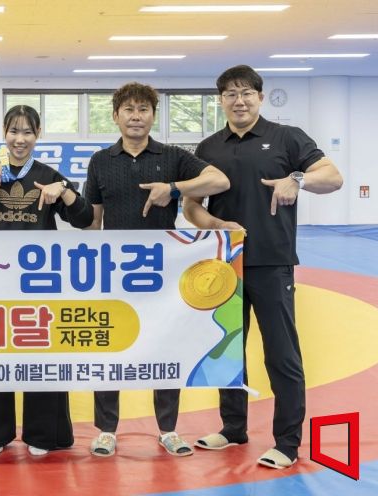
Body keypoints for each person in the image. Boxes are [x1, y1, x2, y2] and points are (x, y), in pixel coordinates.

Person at [184, 65, 343, 469]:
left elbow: (333, 177)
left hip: (272, 264)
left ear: (260, 97)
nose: (239, 101)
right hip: (225, 265)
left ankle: (287, 443)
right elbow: (191, 207)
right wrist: (216, 223)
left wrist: (297, 179)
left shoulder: (287, 137)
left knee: (281, 355)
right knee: (227, 352)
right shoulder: (208, 147)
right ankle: (233, 427)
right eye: (230, 94)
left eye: (246, 93)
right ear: (221, 100)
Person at [83, 82, 230, 458]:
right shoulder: (100, 161)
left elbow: (220, 180)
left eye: (143, 109)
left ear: (153, 115)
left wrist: (174, 188)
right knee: (110, 348)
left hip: (162, 272)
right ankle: (106, 430)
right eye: (129, 110)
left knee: (166, 346)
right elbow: (93, 221)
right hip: (114, 272)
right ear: (115, 116)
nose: (136, 116)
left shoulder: (173, 156)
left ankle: (168, 429)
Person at [0, 104, 93, 456]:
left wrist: (63, 190)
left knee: (41, 357)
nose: (19, 139)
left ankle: (42, 434)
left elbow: (84, 220)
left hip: (39, 283)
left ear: (38, 135)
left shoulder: (50, 175)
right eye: (13, 131)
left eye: (27, 132)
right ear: (3, 133)